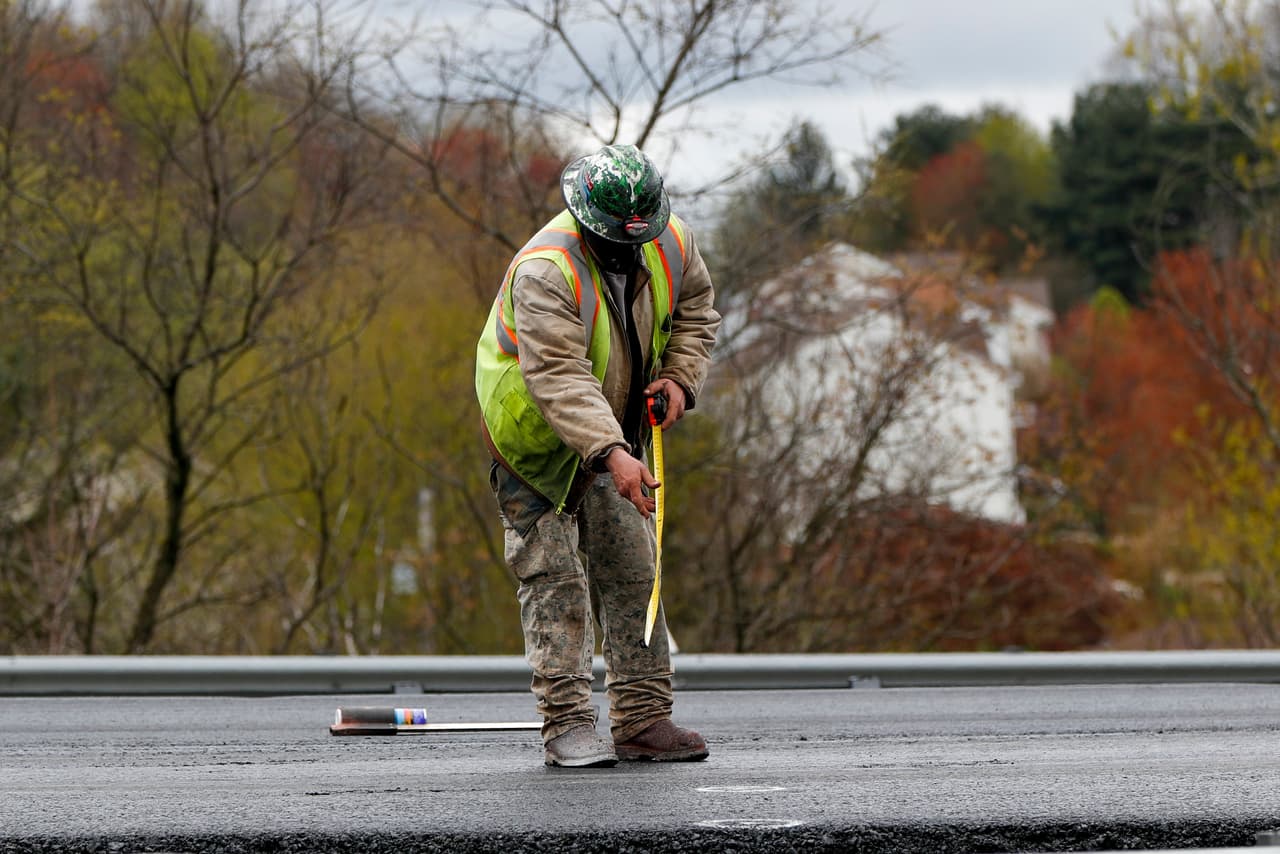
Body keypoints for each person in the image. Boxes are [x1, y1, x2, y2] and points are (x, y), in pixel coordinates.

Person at [475, 144, 721, 767]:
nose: (626, 250)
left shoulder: (672, 242)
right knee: (555, 581)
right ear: (587, 221)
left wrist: (680, 379)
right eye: (614, 240)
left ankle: (642, 718)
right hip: (535, 442)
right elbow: (558, 376)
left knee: (635, 570)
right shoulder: (545, 271)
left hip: (617, 435)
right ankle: (566, 724)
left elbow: (696, 314)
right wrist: (611, 450)